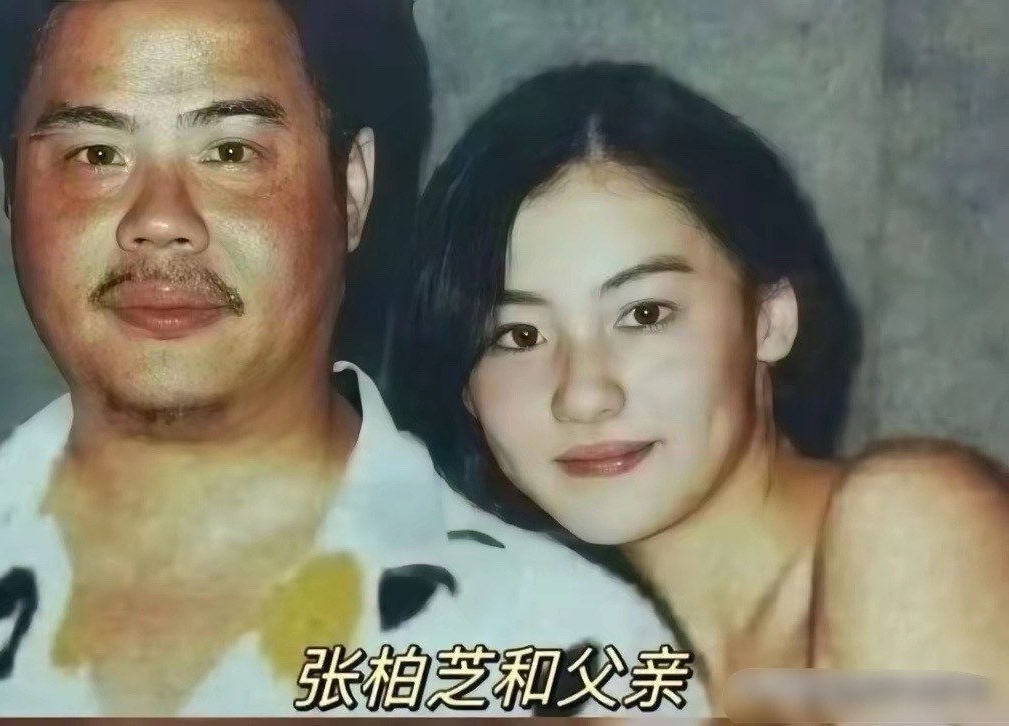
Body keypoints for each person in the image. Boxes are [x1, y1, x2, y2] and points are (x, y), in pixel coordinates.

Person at [0, 4, 705, 718]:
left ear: (352, 190)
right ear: (10, 196)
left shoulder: (563, 653)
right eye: (97, 153)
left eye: (230, 151)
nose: (160, 220)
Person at [390, 60, 1009, 718]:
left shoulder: (910, 529)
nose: (583, 395)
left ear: (770, 320)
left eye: (644, 313)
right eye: (518, 335)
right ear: (464, 388)